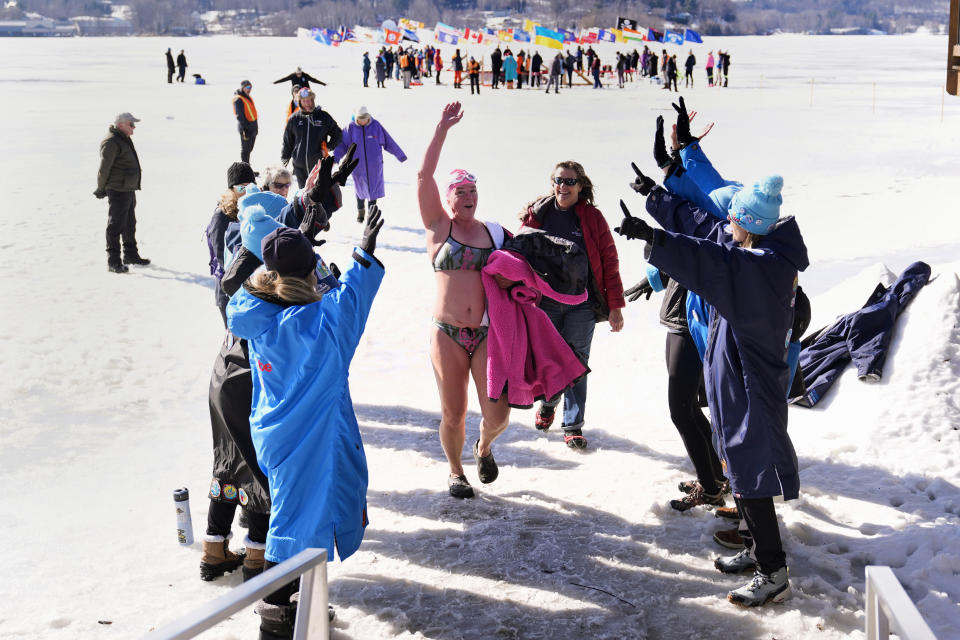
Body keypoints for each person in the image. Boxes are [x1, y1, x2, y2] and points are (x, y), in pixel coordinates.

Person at [618, 143, 807, 608]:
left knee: (751, 473)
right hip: (733, 381)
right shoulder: (750, 245)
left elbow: (710, 260)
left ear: (750, 222)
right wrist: (656, 201)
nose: (727, 223)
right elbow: (705, 229)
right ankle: (756, 550)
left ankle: (773, 571)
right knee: (735, 464)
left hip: (750, 389)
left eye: (735, 218)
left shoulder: (759, 268)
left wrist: (656, 240)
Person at [227, 210, 386, 638]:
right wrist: (363, 251)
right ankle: (275, 619)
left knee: (296, 519)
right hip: (316, 439)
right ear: (311, 268)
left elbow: (326, 297)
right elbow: (355, 297)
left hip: (275, 436)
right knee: (294, 526)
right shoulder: (327, 324)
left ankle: (300, 606)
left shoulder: (256, 313)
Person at [417, 102, 510, 498]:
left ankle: (483, 447)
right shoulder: (439, 226)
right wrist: (441, 129)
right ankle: (456, 471)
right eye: (461, 192)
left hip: (487, 333)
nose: (469, 197)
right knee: (453, 413)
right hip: (447, 333)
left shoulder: (494, 233)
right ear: (449, 198)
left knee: (498, 415)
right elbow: (424, 174)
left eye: (473, 191)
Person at [519, 162, 625, 448]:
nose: (563, 187)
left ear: (581, 186)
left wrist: (615, 305)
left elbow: (609, 260)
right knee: (549, 358)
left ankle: (573, 425)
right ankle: (549, 403)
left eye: (569, 181)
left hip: (583, 304)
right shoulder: (539, 213)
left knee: (577, 362)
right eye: (558, 180)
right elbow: (519, 251)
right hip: (547, 302)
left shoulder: (591, 218)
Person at [95, 112, 148, 273]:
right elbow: (104, 169)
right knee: (115, 225)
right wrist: (101, 188)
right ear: (121, 124)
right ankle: (113, 261)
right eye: (131, 125)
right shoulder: (111, 142)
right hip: (118, 189)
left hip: (128, 188)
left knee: (129, 223)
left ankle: (130, 255)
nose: (133, 128)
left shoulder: (123, 138)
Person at [334, 105, 407, 223]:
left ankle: (371, 215)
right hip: (356, 165)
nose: (363, 121)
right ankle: (361, 210)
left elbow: (388, 141)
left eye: (365, 118)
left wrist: (400, 155)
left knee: (373, 190)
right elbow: (342, 146)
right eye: (360, 118)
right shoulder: (350, 128)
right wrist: (335, 158)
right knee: (360, 189)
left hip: (375, 165)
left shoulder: (376, 126)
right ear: (356, 118)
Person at [281, 87, 343, 189]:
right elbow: (288, 141)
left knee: (318, 193)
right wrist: (285, 158)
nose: (307, 103)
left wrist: (327, 148)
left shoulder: (323, 117)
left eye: (309, 100)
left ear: (313, 100)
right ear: (299, 102)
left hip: (318, 164)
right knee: (303, 194)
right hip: (299, 165)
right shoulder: (294, 118)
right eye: (304, 101)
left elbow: (338, 134)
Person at [233, 80, 258, 164]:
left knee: (249, 149)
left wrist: (255, 127)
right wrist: (245, 129)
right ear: (242, 88)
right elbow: (240, 116)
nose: (249, 89)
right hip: (245, 129)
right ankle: (245, 170)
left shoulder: (248, 97)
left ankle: (247, 168)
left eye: (250, 87)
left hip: (252, 127)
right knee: (245, 150)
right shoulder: (238, 99)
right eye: (247, 87)